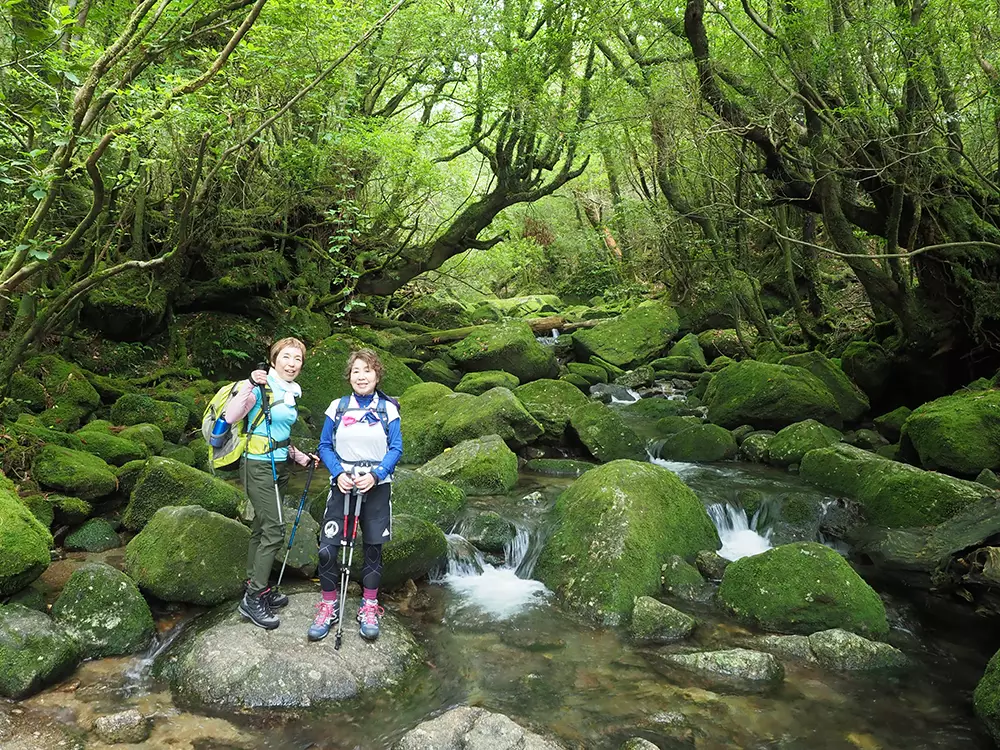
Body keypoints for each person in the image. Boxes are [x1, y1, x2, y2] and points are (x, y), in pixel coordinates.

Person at [225, 337, 319, 630]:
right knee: (275, 531)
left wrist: (300, 457)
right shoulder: (260, 386)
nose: (292, 364)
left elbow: (275, 431)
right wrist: (250, 384)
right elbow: (230, 416)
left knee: (261, 528)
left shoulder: (289, 391)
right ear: (274, 358)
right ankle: (252, 599)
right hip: (257, 466)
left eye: (298, 359)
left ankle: (257, 585)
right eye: (287, 357)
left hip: (279, 464)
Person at [309, 348, 403, 642]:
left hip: (377, 485)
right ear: (349, 376)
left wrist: (375, 475)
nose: (362, 376)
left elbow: (396, 448)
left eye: (368, 371)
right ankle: (328, 604)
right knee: (327, 548)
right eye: (356, 371)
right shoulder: (337, 407)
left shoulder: (388, 409)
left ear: (377, 375)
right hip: (343, 484)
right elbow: (324, 445)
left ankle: (370, 605)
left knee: (373, 548)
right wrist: (338, 473)